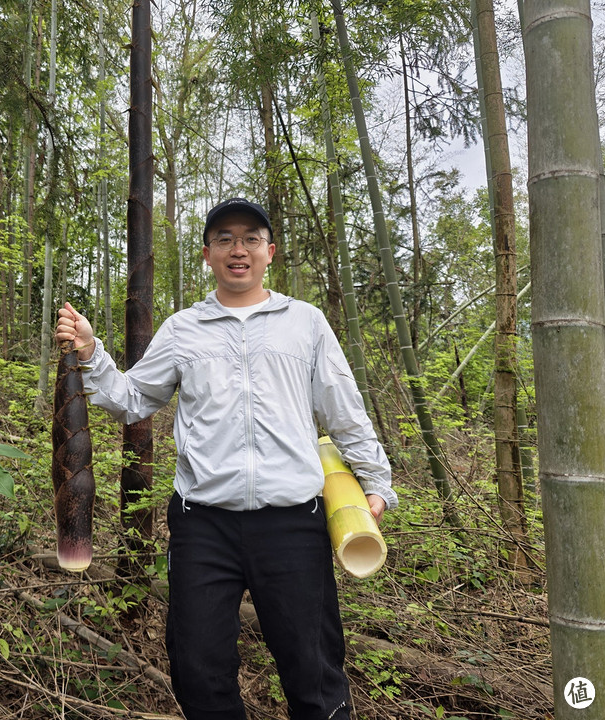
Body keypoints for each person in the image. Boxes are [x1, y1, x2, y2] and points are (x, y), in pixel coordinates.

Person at [55, 197, 396, 720]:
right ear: (208, 254)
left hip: (293, 523)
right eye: (225, 240)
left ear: (270, 252)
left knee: (314, 667)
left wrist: (375, 481)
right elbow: (131, 400)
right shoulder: (183, 329)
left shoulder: (304, 323)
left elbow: (344, 410)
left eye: (250, 239)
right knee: (197, 666)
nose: (239, 249)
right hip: (203, 526)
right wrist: (91, 352)